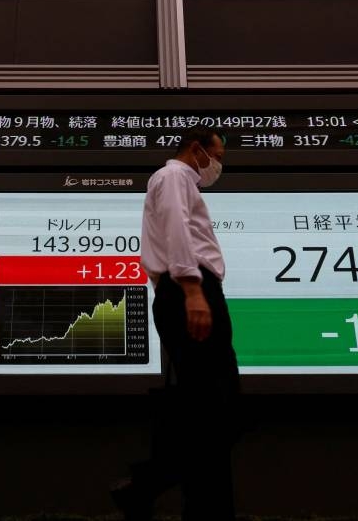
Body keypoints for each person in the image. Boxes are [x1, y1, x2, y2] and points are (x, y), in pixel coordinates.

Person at [111, 126, 240, 521]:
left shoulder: (181, 182)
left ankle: (153, 487)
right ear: (197, 149)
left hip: (187, 290)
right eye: (216, 155)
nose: (217, 165)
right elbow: (176, 229)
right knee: (216, 406)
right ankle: (163, 490)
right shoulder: (173, 177)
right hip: (189, 289)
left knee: (212, 408)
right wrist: (191, 289)